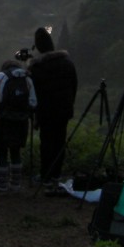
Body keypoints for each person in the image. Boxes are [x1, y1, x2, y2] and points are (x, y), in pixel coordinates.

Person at [27, 27, 78, 190]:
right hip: (64, 109)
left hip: (45, 111)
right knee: (59, 142)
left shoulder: (36, 67)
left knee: (46, 143)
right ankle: (56, 175)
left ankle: (45, 176)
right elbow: (74, 85)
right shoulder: (67, 63)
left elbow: (32, 91)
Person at [0, 58, 37, 194]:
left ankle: (1, 186)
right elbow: (33, 101)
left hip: (3, 119)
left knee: (2, 151)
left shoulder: (1, 76)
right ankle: (16, 185)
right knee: (16, 151)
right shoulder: (27, 78)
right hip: (21, 121)